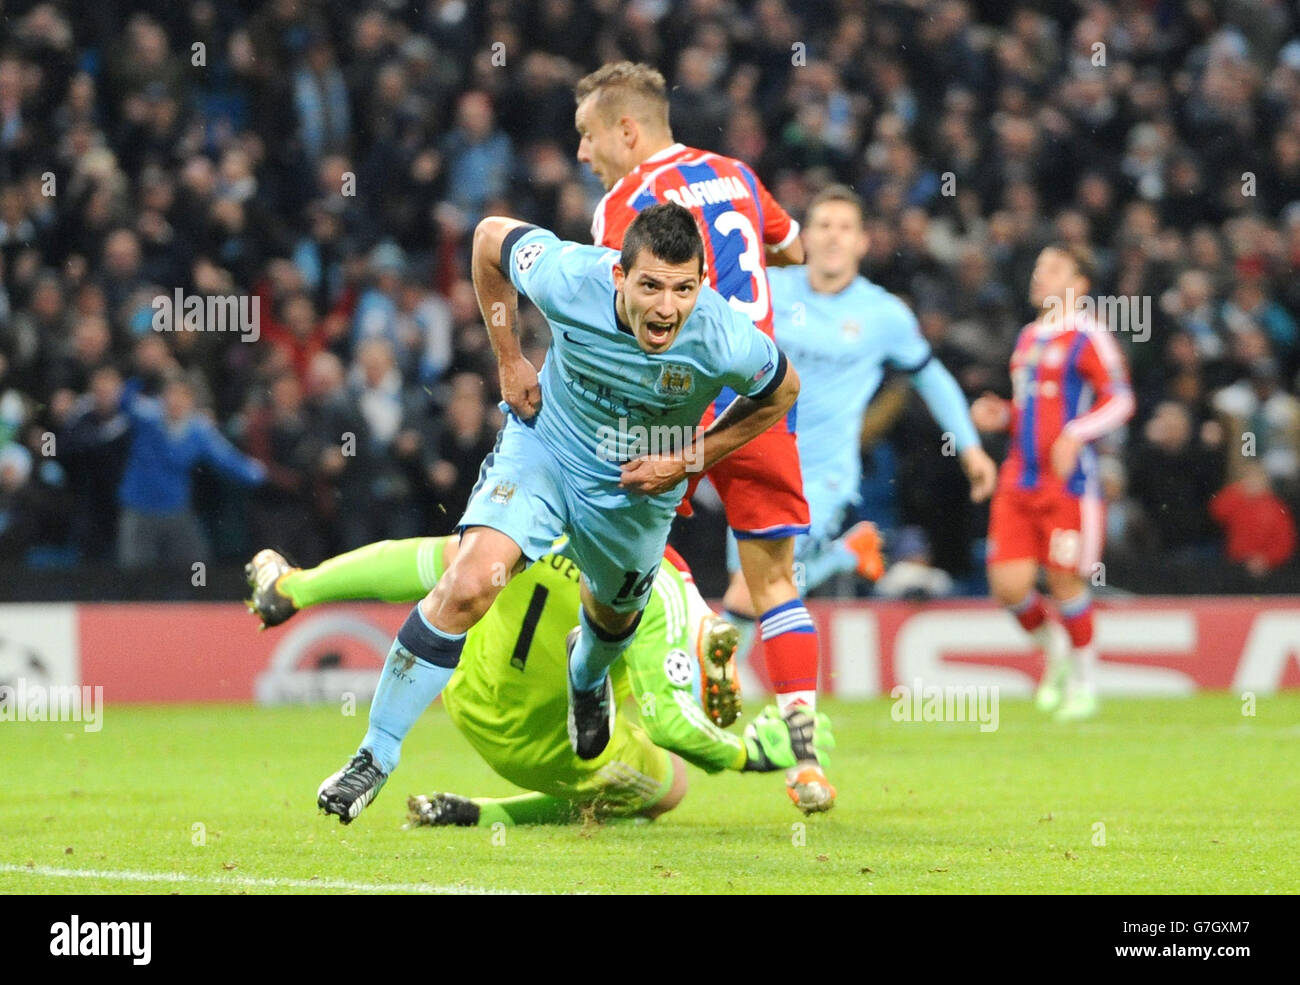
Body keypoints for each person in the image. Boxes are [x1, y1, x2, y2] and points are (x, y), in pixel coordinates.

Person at [310, 202, 800, 823]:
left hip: (633, 491)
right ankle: (373, 756)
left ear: (700, 285)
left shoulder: (724, 336)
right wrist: (508, 356)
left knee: (612, 620)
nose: (667, 307)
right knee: (468, 582)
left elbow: (782, 391)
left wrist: (690, 457)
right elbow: (488, 239)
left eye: (682, 289)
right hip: (545, 449)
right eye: (650, 285)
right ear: (619, 277)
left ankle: (587, 678)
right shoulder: (571, 277)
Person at [575, 62, 836, 811]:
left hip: (671, 404)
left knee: (623, 561)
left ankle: (682, 646)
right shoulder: (737, 175)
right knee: (776, 579)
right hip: (757, 397)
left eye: (589, 137)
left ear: (628, 130)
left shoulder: (625, 205)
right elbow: (790, 249)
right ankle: (806, 759)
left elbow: (624, 322)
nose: (585, 156)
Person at [245, 539, 833, 824]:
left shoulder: (533, 521)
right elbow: (672, 725)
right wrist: (749, 755)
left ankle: (592, 673)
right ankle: (498, 804)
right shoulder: (662, 589)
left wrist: (300, 587)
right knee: (670, 784)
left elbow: (409, 562)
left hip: (466, 697)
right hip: (544, 752)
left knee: (458, 573)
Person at [767, 184, 997, 598]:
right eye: (823, 225)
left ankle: (723, 663)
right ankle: (847, 554)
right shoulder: (768, 289)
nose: (834, 235)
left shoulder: (882, 314)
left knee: (770, 580)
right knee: (746, 583)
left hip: (824, 476)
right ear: (805, 237)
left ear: (862, 242)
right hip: (758, 464)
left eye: (845, 227)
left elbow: (932, 376)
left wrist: (970, 446)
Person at [971, 244, 1135, 722]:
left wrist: (1076, 432)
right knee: (1008, 586)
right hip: (1017, 480)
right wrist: (1001, 415)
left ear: (1080, 284)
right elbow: (1029, 411)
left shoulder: (1090, 335)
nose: (1039, 275)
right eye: (1039, 266)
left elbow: (1121, 400)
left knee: (1065, 583)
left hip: (1068, 485)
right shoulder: (1027, 337)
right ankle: (1056, 651)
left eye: (1054, 269)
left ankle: (1085, 684)